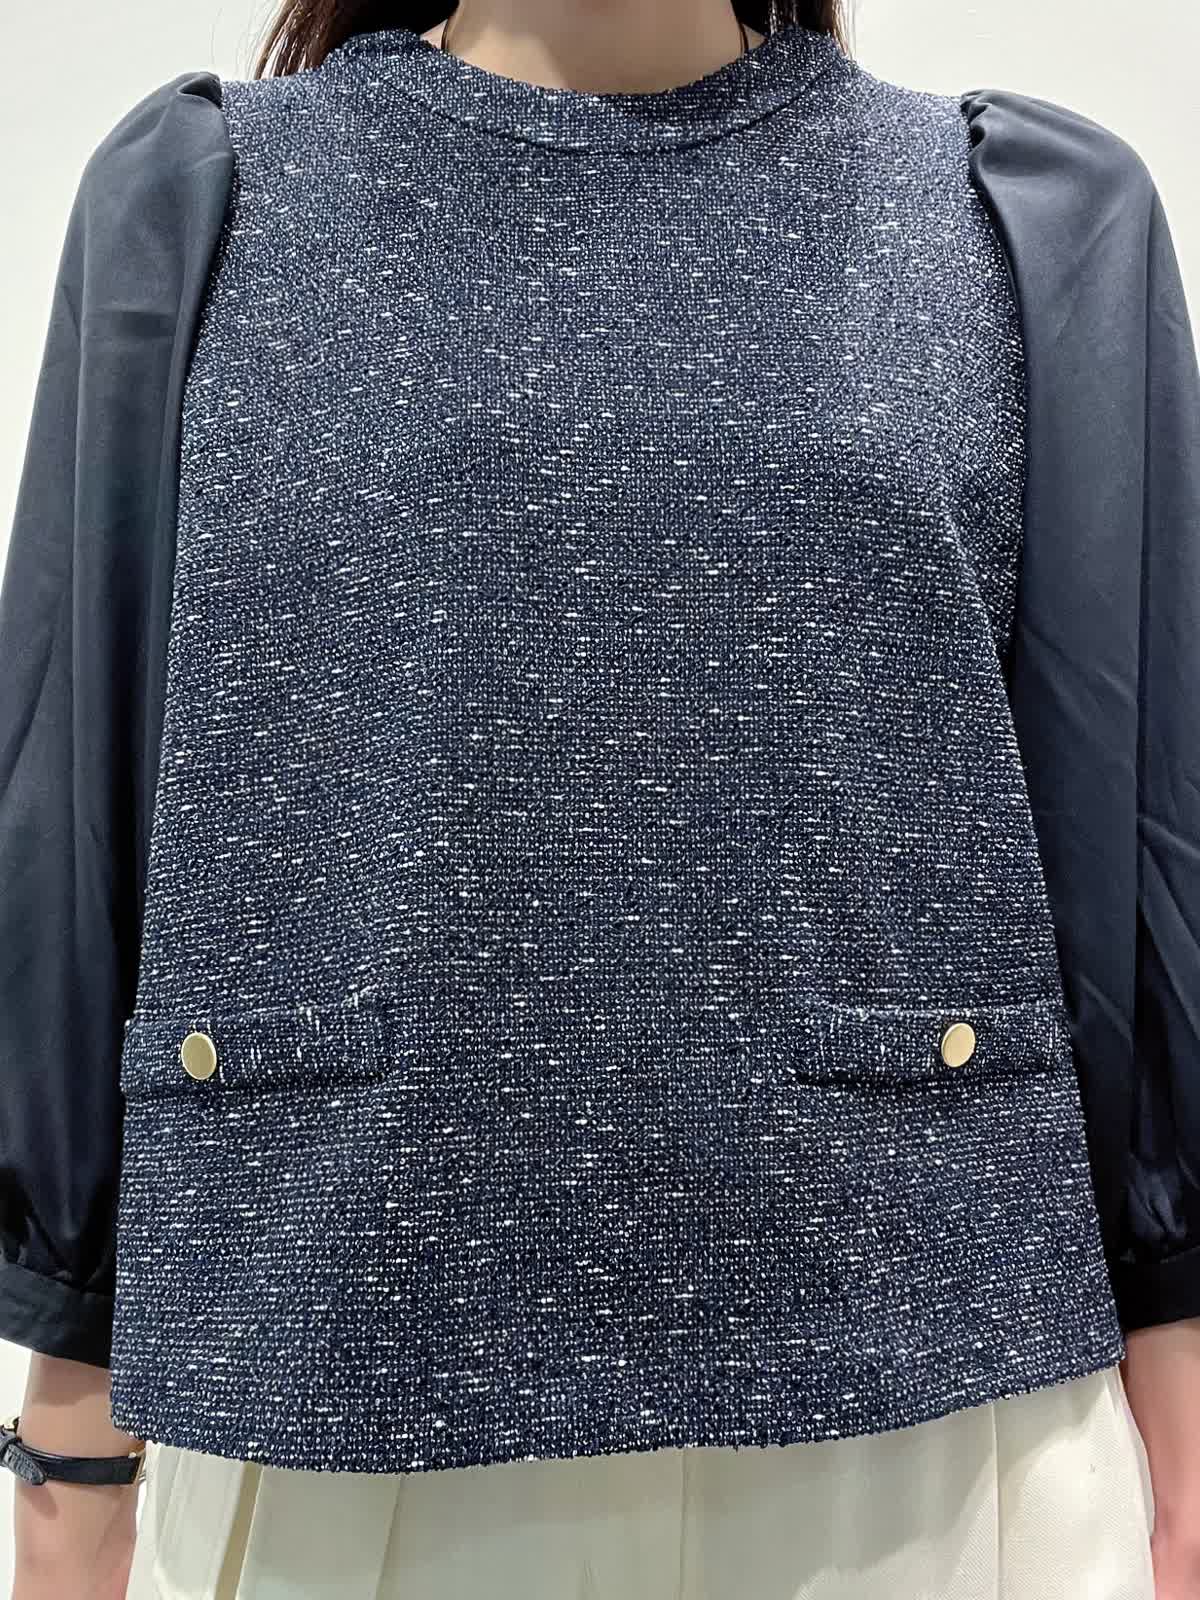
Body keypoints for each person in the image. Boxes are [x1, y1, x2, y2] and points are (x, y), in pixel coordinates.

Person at [2, 3, 1198, 1596]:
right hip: (326, 1375)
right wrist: (68, 1436)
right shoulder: (203, 198)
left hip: (940, 1415)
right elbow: (82, 808)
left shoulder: (1021, 220)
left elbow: (1137, 822)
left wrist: (1181, 1372)